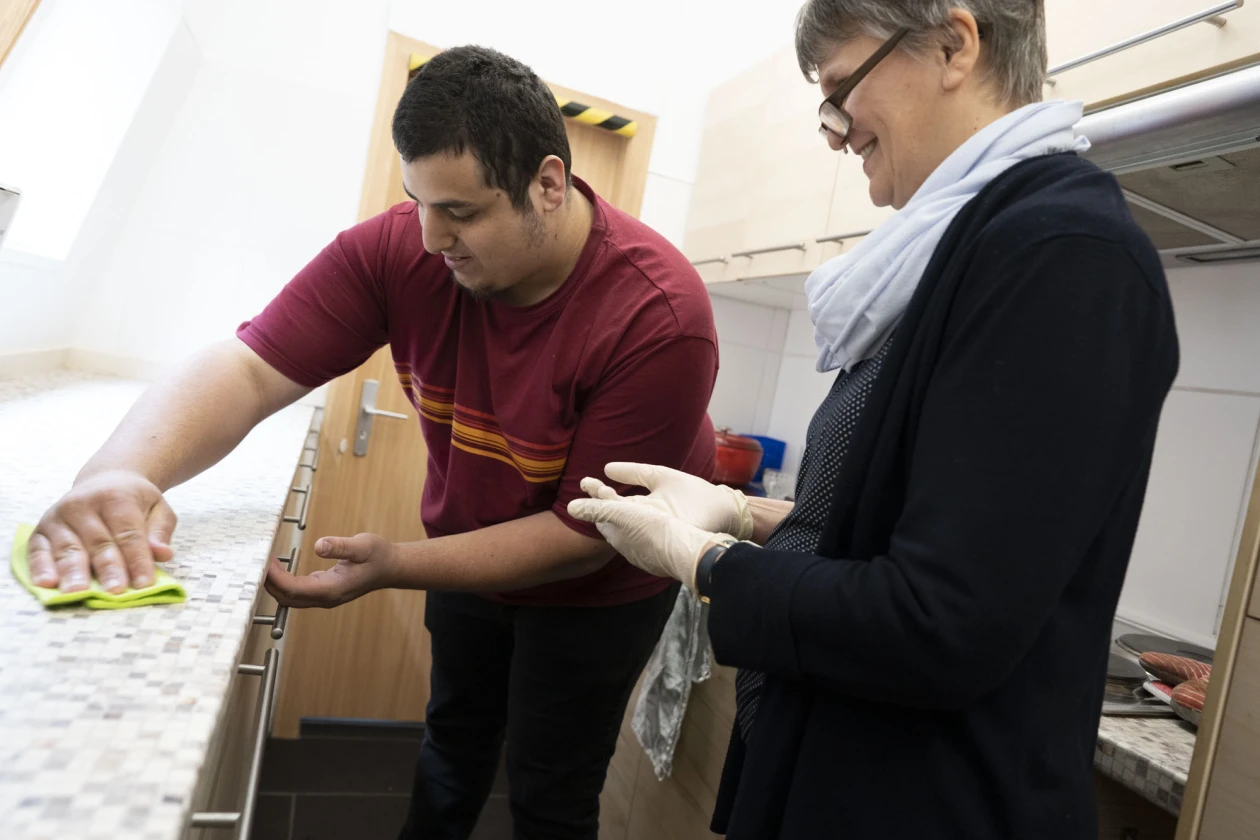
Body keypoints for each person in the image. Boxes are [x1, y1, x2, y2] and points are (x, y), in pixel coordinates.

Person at [27, 46, 718, 840]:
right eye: (418, 201)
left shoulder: (658, 315)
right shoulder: (398, 250)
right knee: (450, 750)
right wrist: (117, 472)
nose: (431, 238)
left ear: (549, 185)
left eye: (460, 212)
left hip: (600, 590)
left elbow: (582, 537)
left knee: (551, 789)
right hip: (471, 558)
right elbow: (250, 369)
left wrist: (393, 566)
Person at [569, 2, 1180, 839]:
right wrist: (749, 514)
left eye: (841, 90)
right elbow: (909, 522)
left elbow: (937, 622)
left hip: (921, 802)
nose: (832, 132)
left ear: (953, 44)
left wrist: (709, 563)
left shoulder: (1066, 256)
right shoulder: (961, 253)